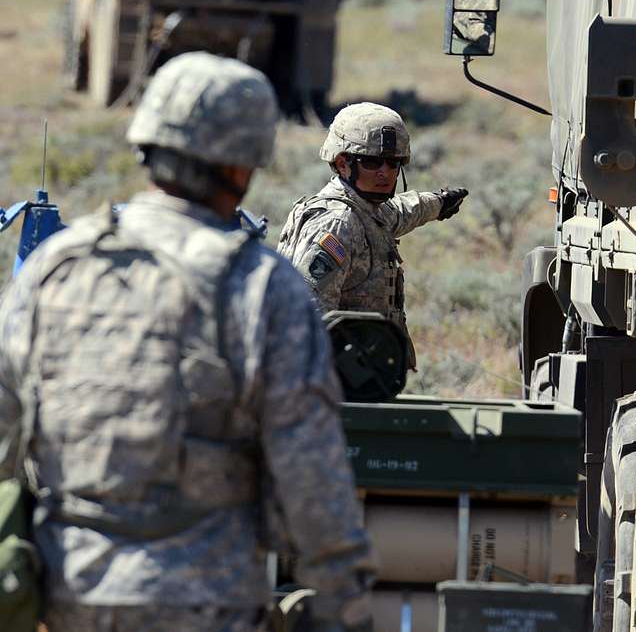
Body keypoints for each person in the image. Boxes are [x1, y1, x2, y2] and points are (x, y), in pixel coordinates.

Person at [0, 52, 374, 632]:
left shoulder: (56, 267)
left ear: (147, 143)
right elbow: (310, 471)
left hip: (69, 594)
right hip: (207, 602)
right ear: (244, 165)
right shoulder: (262, 286)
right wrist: (343, 603)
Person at [277, 103, 468, 368]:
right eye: (371, 161)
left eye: (393, 163)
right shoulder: (337, 223)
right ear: (342, 164)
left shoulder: (367, 210)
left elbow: (400, 212)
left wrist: (438, 203)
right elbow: (310, 316)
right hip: (339, 383)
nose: (385, 172)